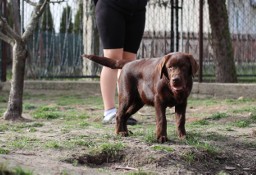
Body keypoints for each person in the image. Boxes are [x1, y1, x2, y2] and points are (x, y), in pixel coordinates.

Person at [94, 0, 148, 124]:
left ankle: (124, 111)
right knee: (113, 59)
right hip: (111, 6)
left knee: (129, 62)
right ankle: (109, 113)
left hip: (138, 9)